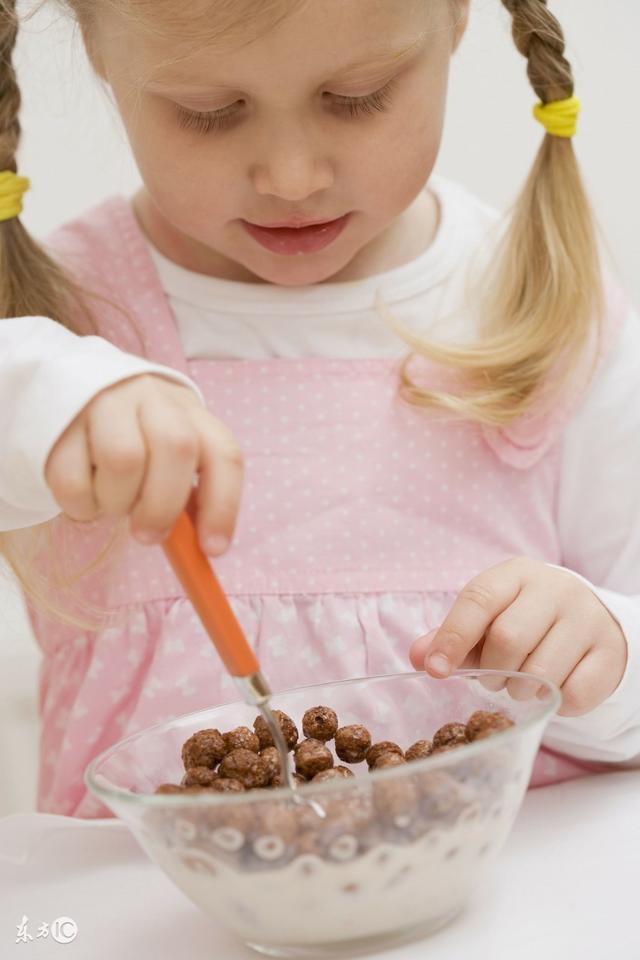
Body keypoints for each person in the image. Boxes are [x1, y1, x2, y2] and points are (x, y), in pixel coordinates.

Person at [0, 0, 638, 819]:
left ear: (455, 19)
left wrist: (605, 651)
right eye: (210, 113)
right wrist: (45, 393)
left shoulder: (544, 313)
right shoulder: (58, 322)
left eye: (358, 96)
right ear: (94, 44)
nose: (291, 178)